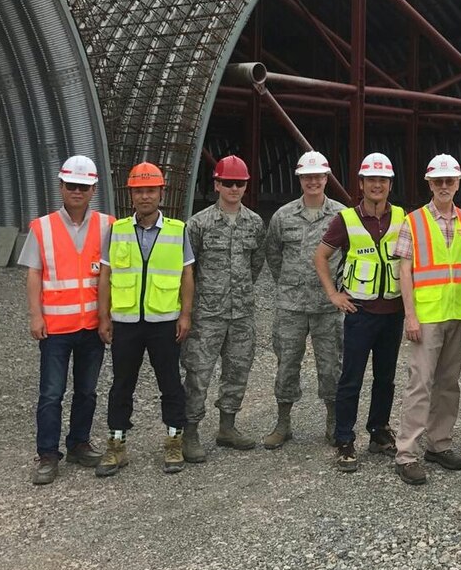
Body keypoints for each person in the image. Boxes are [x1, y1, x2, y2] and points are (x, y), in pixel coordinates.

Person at [19, 155, 115, 485]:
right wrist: (35, 315)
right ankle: (47, 454)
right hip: (56, 329)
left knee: (87, 391)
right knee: (51, 393)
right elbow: (34, 274)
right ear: (61, 187)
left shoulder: (107, 226)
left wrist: (108, 317)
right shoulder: (42, 227)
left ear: (93, 190)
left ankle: (79, 443)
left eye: (83, 186)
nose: (77, 191)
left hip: (91, 326)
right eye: (71, 185)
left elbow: (110, 274)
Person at [95, 162, 195, 477]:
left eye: (150, 190)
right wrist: (103, 317)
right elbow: (106, 275)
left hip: (165, 321)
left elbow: (186, 275)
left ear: (160, 193)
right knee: (122, 385)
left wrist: (185, 315)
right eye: (139, 191)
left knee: (170, 384)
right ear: (132, 195)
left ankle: (173, 443)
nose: (145, 197)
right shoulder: (117, 230)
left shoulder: (178, 231)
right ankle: (116, 446)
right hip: (126, 322)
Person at [314, 152, 405, 472]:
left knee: (385, 378)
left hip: (393, 311)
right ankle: (344, 438)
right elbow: (321, 256)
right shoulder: (346, 220)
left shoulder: (402, 218)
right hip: (360, 312)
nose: (377, 185)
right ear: (362, 184)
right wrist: (333, 294)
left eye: (383, 180)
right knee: (351, 378)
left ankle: (379, 431)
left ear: (390, 184)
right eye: (371, 180)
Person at [393, 154, 461, 485]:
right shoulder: (412, 222)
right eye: (438, 181)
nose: (444, 186)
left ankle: (439, 444)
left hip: (458, 313)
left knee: (448, 384)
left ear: (458, 184)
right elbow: (405, 272)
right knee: (419, 384)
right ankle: (407, 453)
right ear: (429, 184)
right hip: (426, 317)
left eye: (449, 181)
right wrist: (410, 316)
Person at [181, 155, 266, 462]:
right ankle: (189, 433)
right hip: (207, 315)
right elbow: (188, 269)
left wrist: (238, 292)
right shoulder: (199, 224)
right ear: (216, 184)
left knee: (237, 371)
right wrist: (190, 311)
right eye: (227, 182)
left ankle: (227, 427)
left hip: (241, 313)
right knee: (198, 374)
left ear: (246, 186)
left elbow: (256, 264)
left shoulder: (255, 223)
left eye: (239, 183)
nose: (233, 188)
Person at [262, 151, 345, 448]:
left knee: (331, 365)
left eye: (318, 176)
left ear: (326, 178)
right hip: (291, 306)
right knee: (286, 364)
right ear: (300, 179)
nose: (313, 181)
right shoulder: (283, 216)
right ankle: (283, 423)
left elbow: (349, 255)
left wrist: (339, 288)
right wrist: (288, 282)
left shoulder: (341, 215)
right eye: (307, 176)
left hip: (327, 306)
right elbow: (272, 253)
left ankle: (334, 422)